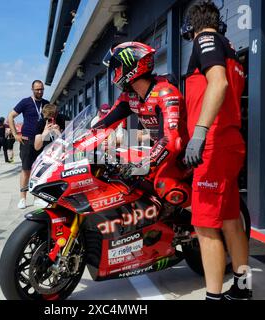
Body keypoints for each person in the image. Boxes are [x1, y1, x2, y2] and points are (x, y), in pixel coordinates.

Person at [181, 1, 250, 300]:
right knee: (231, 220)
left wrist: (198, 134)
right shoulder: (230, 48)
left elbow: (218, 84)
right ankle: (242, 288)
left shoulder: (205, 40)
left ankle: (213, 297)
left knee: (205, 226)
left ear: (192, 24)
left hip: (214, 145)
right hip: (230, 143)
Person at [93, 41, 192, 208]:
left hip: (182, 155)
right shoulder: (129, 96)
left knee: (164, 185)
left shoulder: (165, 92)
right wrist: (76, 145)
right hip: (160, 150)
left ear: (129, 67)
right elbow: (103, 124)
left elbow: (171, 140)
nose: (113, 73)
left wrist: (145, 165)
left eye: (116, 67)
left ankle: (199, 221)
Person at [8, 80, 49, 209]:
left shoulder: (46, 104)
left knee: (40, 171)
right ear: (32, 89)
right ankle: (22, 198)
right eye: (37, 89)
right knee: (26, 170)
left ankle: (38, 197)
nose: (40, 91)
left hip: (42, 140)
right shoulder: (25, 102)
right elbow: (11, 116)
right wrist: (15, 134)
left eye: (41, 89)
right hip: (27, 140)